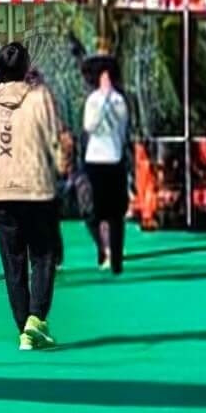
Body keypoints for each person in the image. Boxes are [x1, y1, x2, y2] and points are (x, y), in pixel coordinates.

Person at [0, 41, 64, 350]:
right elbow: (53, 142)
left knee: (13, 264)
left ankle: (24, 329)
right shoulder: (38, 98)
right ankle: (36, 319)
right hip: (35, 188)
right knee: (43, 255)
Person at [81, 59, 133, 275]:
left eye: (109, 77)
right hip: (95, 159)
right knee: (96, 212)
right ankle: (103, 250)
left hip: (114, 158)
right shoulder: (93, 100)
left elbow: (121, 125)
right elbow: (90, 125)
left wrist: (110, 101)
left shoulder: (120, 100)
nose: (107, 81)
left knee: (116, 213)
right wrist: (103, 101)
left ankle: (116, 260)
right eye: (103, 77)